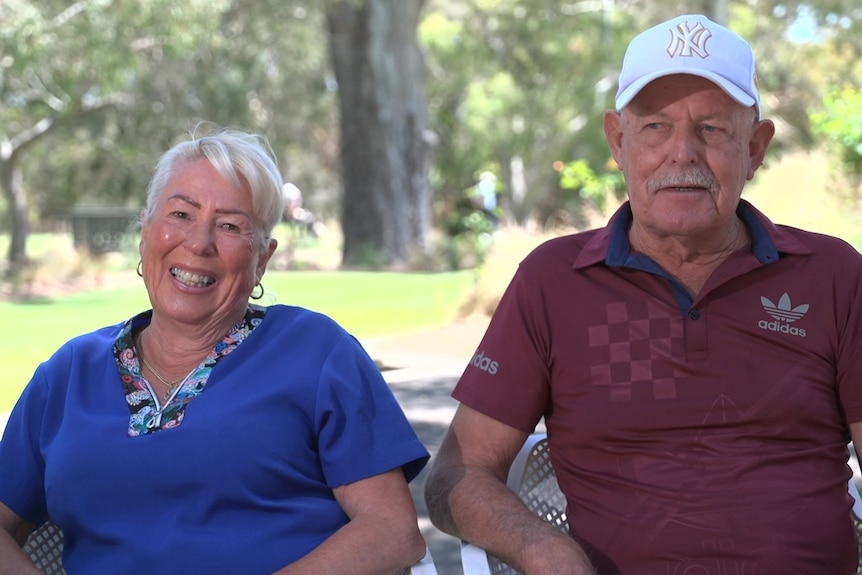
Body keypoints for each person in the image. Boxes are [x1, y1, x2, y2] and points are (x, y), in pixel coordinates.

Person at [424, 13, 862, 575]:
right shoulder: (553, 282)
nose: (682, 153)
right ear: (617, 140)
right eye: (655, 126)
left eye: (712, 129)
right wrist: (542, 547)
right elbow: (458, 475)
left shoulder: (832, 275)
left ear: (755, 148)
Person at [0, 127, 430, 574]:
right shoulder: (69, 374)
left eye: (230, 225)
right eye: (181, 214)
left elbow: (391, 530)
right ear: (146, 232)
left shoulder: (316, 352)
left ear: (262, 258)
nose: (199, 242)